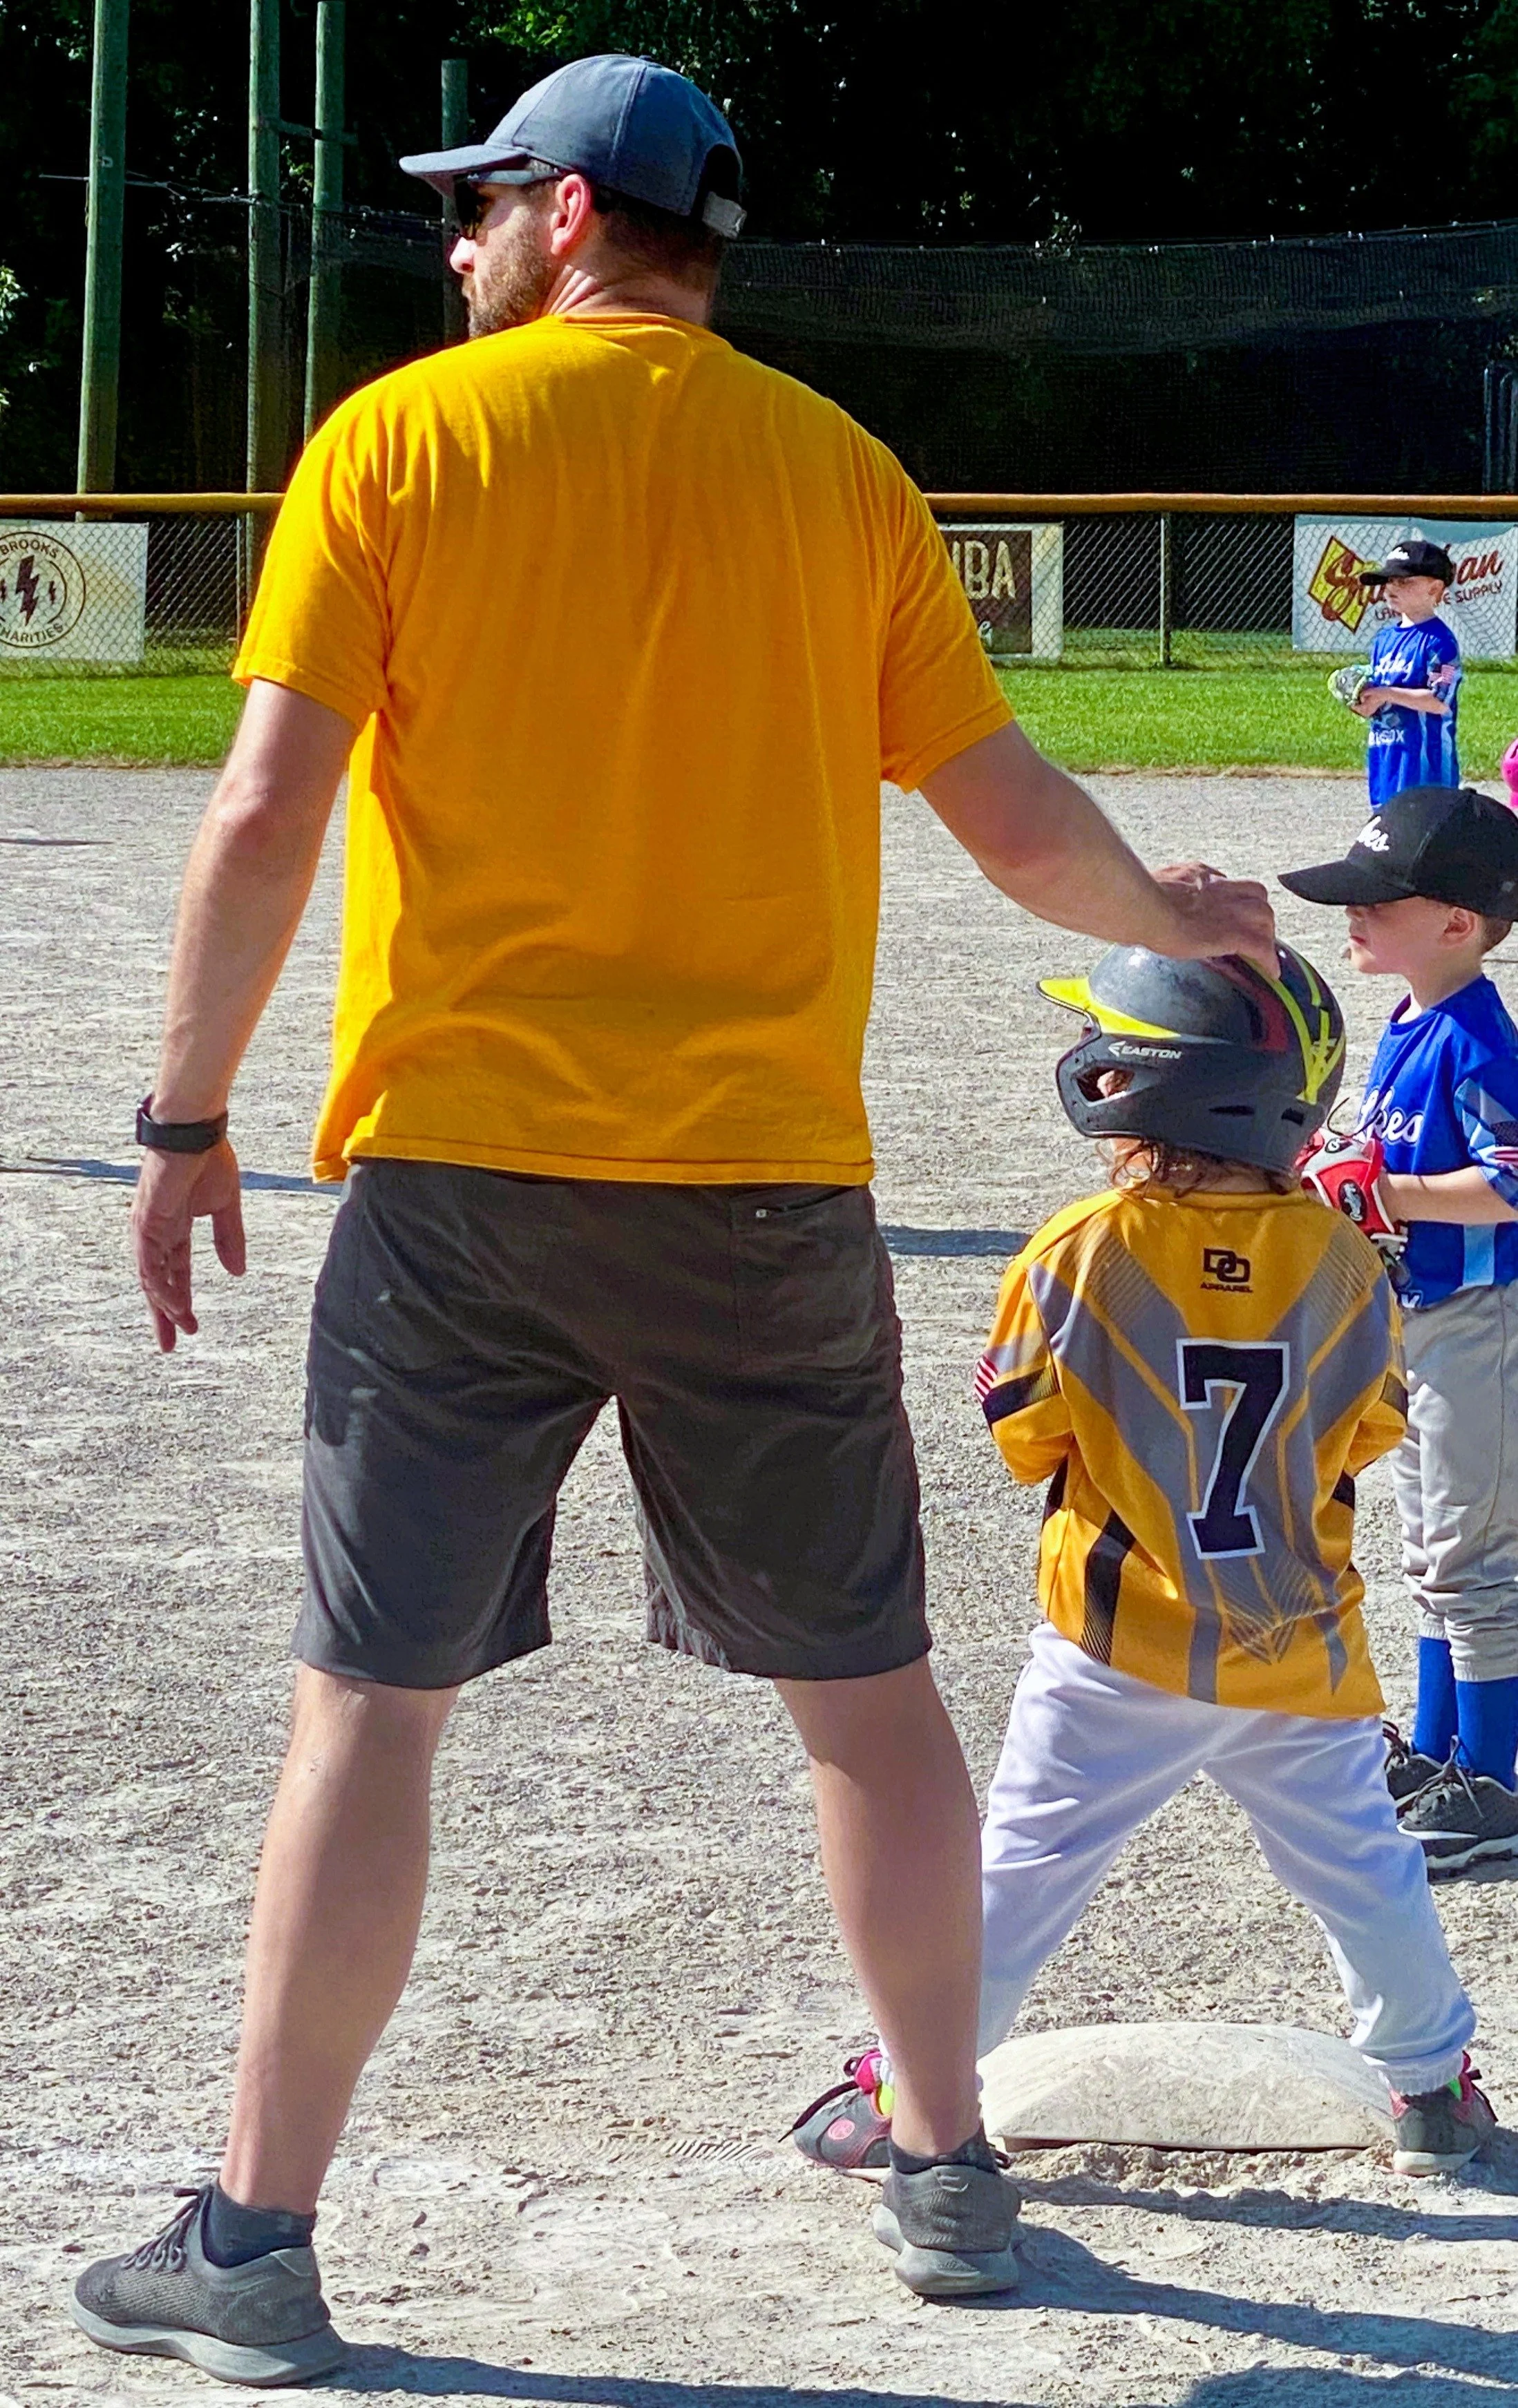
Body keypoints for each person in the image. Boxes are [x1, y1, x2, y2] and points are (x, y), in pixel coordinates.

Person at [70, 52, 1274, 2382]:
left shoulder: (404, 442)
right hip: (755, 1180)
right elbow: (1008, 814)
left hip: (458, 1187)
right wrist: (1176, 912)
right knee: (862, 1699)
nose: (449, 247)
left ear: (556, 213)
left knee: (365, 1709)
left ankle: (254, 2239)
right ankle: (941, 2160)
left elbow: (256, 818)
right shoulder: (833, 471)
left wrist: (185, 1116)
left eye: (469, 208)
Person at [792, 944, 1495, 2201]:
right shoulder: (1343, 1257)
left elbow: (1023, 1434)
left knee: (1021, 1863)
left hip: (1116, 1643)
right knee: (1361, 1864)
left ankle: (914, 2084)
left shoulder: (1081, 1247)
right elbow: (1370, 1429)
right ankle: (1433, 2086)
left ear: (1142, 1090)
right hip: (1298, 1639)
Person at [1284, 785, 1518, 1874]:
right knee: (1428, 1548)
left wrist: (1391, 1188)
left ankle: (1498, 1779)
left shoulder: (1478, 1036)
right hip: (1421, 1317)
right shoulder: (1412, 1016)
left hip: (1478, 1321)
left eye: (1381, 901)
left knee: (1474, 1559)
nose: (1355, 917)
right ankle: (1439, 1753)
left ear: (1459, 925)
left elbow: (1510, 1185)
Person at [1341, 538, 1461, 810]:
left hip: (1424, 767)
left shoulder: (1440, 642)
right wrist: (1364, 701)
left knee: (1422, 837)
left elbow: (1438, 700)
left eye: (1405, 582)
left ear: (1434, 588)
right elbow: (1381, 698)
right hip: (1386, 757)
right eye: (1390, 581)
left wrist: (1385, 693)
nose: (1392, 588)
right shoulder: (1384, 639)